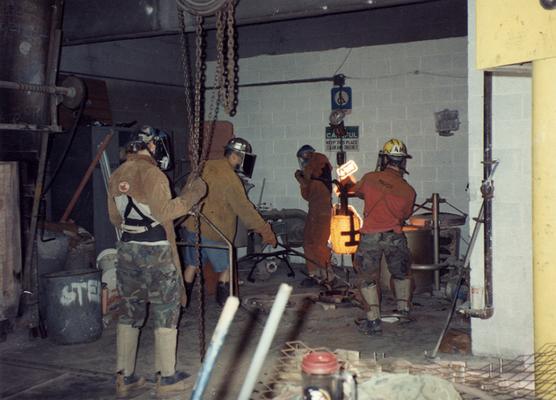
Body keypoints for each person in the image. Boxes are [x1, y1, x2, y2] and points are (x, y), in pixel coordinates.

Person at [107, 126, 207, 397]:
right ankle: (168, 377)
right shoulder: (153, 174)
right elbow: (164, 211)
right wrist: (193, 195)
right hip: (156, 250)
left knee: (130, 311)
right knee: (166, 309)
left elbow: (115, 218)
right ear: (151, 146)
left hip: (128, 248)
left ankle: (124, 377)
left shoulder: (117, 174)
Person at [181, 137, 277, 306]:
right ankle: (224, 302)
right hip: (214, 231)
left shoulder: (203, 166)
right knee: (227, 268)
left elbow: (185, 193)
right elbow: (244, 208)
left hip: (192, 227)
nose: (241, 161)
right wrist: (264, 230)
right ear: (235, 155)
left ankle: (181, 302)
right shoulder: (230, 178)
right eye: (241, 157)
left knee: (191, 265)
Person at [350, 138, 416, 336]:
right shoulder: (408, 190)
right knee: (401, 273)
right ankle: (403, 311)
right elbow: (404, 216)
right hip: (394, 236)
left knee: (367, 277)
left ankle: (373, 321)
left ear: (384, 158)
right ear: (402, 161)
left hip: (370, 237)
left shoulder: (370, 178)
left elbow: (357, 191)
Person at [294, 145, 333, 286]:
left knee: (319, 244)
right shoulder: (310, 172)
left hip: (323, 211)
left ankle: (328, 276)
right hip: (313, 210)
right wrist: (302, 182)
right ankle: (313, 274)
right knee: (308, 242)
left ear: (307, 155)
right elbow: (307, 196)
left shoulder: (319, 160)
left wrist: (303, 176)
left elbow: (313, 173)